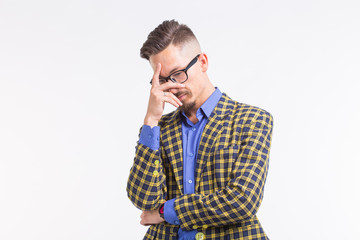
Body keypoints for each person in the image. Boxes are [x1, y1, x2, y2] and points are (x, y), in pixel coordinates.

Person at [126, 19, 273, 240]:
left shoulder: (252, 120)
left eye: (178, 74)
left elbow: (242, 201)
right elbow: (144, 200)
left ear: (202, 62)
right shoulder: (158, 129)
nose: (173, 86)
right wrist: (151, 119)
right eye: (163, 80)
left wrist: (167, 212)